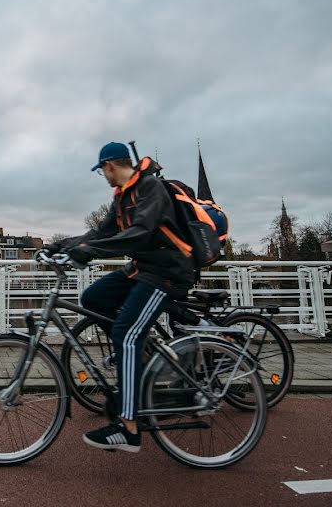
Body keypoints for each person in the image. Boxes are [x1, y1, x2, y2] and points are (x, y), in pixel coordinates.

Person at [44, 142, 195, 453]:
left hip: (167, 271)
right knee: (93, 298)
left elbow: (140, 233)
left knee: (125, 332)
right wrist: (59, 247)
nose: (103, 176)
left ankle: (128, 427)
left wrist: (88, 253)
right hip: (142, 268)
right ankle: (140, 356)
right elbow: (99, 235)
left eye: (102, 171)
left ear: (110, 165)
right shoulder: (122, 198)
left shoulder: (150, 188)